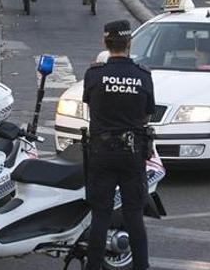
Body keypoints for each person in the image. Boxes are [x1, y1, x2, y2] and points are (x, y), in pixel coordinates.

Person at [82, 20, 155, 270]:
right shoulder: (143, 76)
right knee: (134, 214)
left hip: (101, 153)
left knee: (100, 215)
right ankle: (141, 267)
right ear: (129, 44)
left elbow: (91, 107)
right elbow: (148, 113)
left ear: (105, 43)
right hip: (132, 152)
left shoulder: (94, 74)